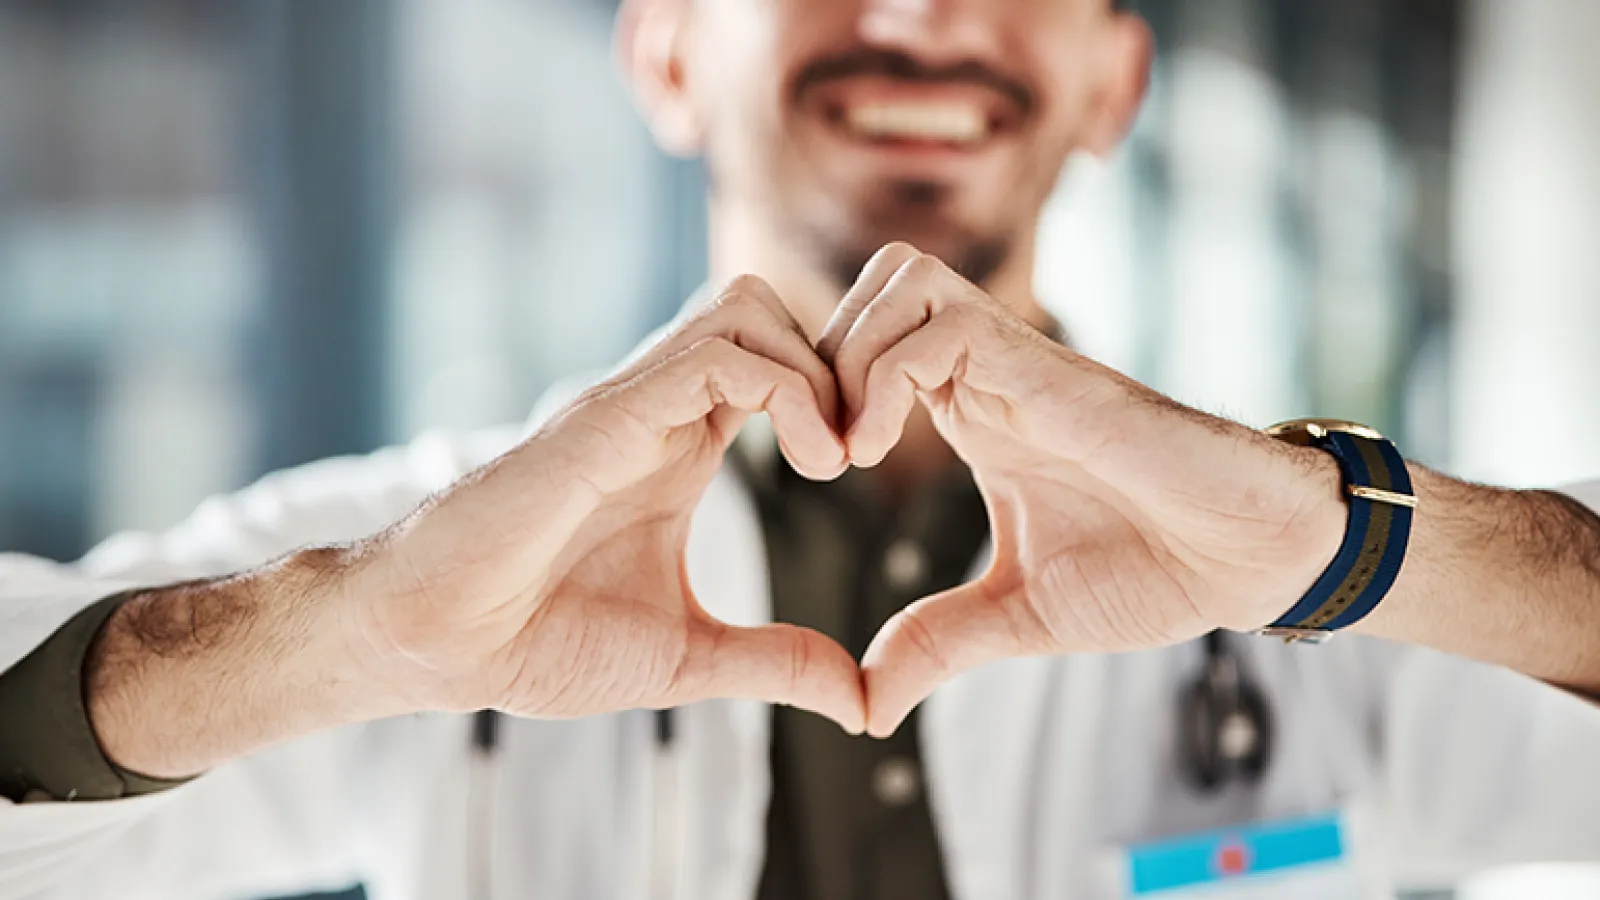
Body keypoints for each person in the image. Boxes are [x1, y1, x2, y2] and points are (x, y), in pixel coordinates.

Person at [2, 0, 1599, 898]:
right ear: (666, 56)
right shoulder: (429, 556)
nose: (921, 16)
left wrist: (1345, 542)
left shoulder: (1331, 591)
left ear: (1118, 80)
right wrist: (359, 629)